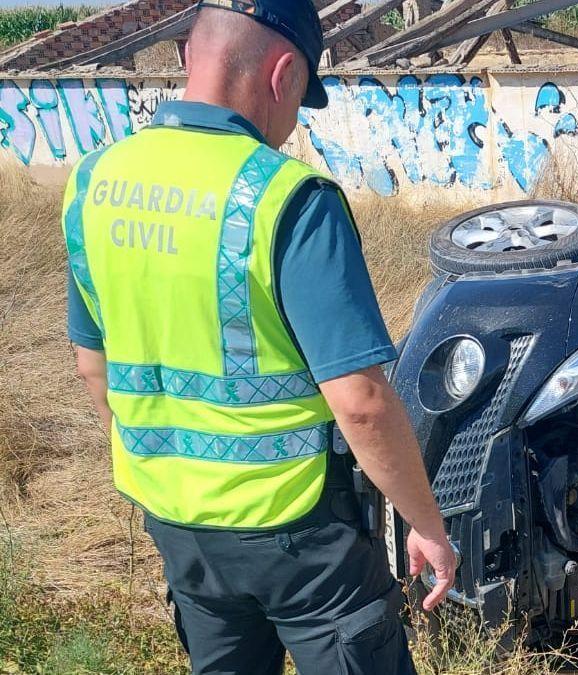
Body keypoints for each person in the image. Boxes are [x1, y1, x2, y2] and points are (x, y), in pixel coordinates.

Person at [63, 1, 457, 672]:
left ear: (191, 55)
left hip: (179, 527)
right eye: (302, 97)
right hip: (297, 530)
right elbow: (360, 400)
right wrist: (428, 526)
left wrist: (174, 470)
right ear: (282, 75)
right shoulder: (289, 199)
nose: (294, 120)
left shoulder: (94, 181)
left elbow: (90, 366)